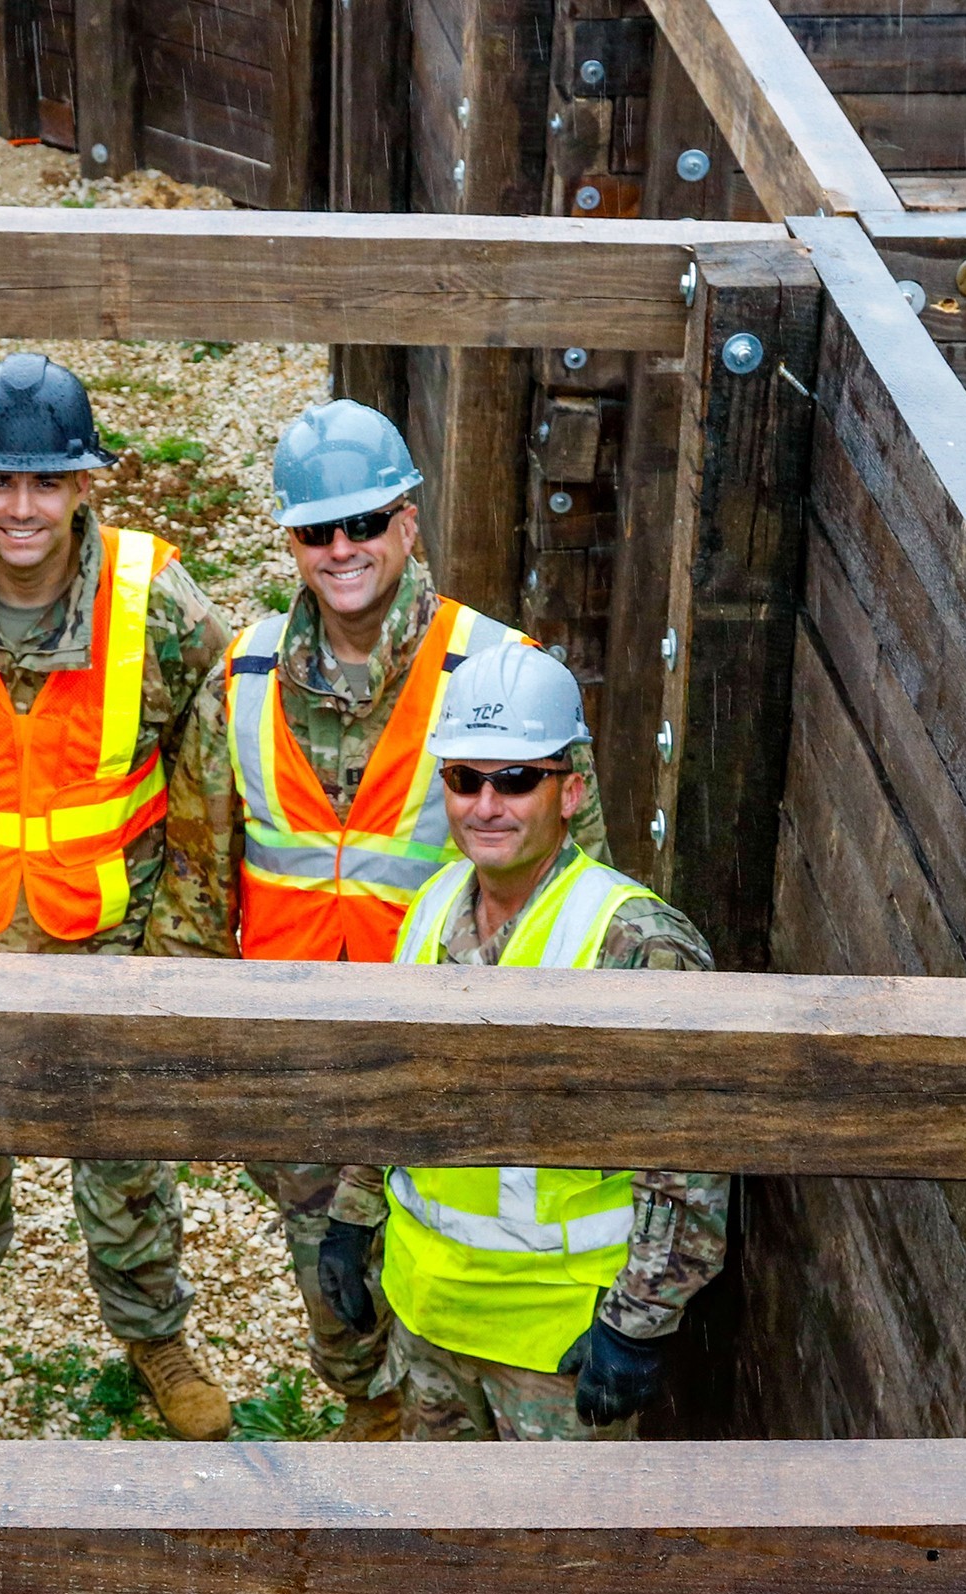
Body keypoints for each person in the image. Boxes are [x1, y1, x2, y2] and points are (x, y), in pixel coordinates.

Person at [340, 638, 730, 1594]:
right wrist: (353, 1220)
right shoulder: (429, 910)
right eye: (465, 779)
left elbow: (692, 1145)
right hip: (434, 1312)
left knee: (581, 1564)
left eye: (516, 779)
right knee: (453, 1510)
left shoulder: (630, 940)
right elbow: (384, 1089)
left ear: (569, 786)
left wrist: (642, 1317)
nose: (487, 804)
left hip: (559, 1339)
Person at [148, 401, 611, 1440]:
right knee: (339, 1300)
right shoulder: (244, 680)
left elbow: (585, 886)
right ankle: (372, 1419)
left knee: (462, 1279)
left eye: (365, 522)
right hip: (302, 1064)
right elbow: (195, 889)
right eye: (318, 530)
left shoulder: (498, 674)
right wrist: (200, 1060)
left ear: (410, 521)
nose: (343, 549)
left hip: (456, 1056)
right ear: (292, 542)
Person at [0, 352, 235, 1440]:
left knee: (126, 1144)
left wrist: (181, 948)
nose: (22, 508)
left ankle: (156, 1333)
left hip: (108, 921)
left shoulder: (162, 606)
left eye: (46, 482)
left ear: (86, 485)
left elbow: (208, 766)